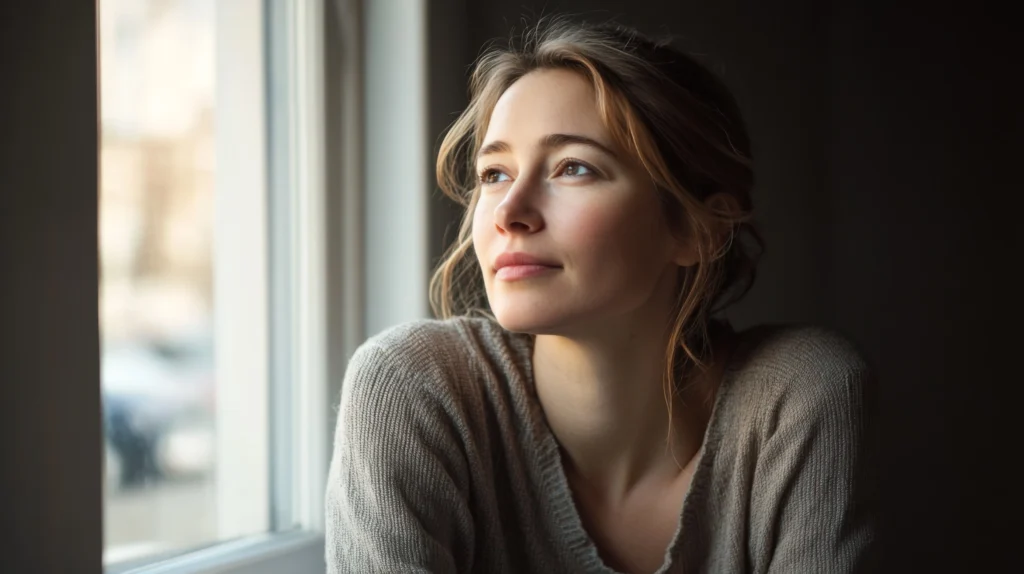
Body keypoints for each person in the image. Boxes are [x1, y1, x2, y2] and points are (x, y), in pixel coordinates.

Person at [325, 16, 875, 574]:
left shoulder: (799, 397)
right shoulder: (412, 390)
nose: (510, 214)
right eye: (494, 173)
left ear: (696, 229)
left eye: (573, 168)